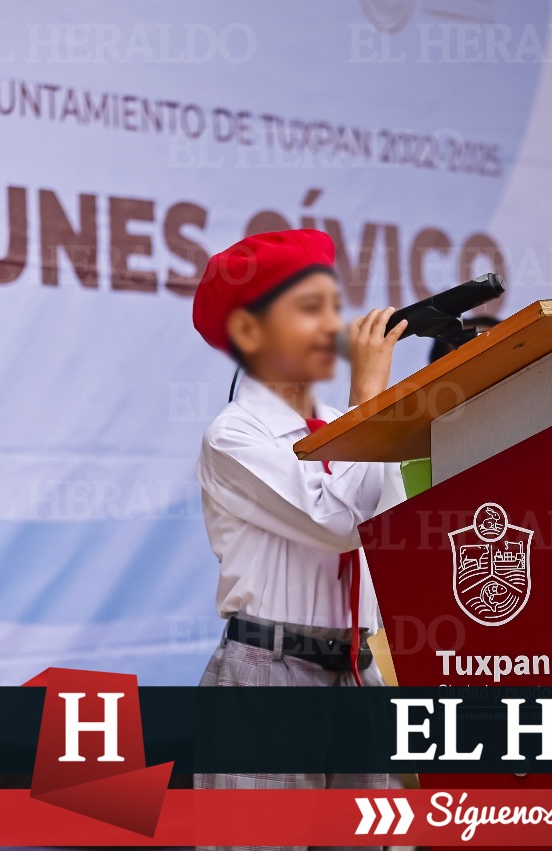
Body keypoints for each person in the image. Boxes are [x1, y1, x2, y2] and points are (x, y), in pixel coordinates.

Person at [190, 229, 406, 821]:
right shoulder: (234, 435)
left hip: (357, 672)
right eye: (305, 309)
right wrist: (370, 400)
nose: (330, 326)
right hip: (270, 674)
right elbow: (339, 523)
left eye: (330, 306)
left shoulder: (350, 422)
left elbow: (396, 530)